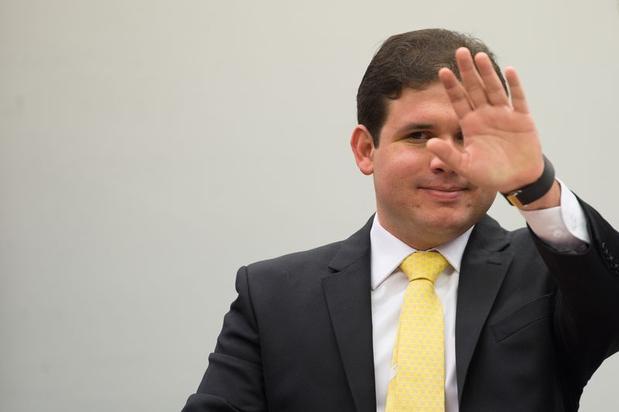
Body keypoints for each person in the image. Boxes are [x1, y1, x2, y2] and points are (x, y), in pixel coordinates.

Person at [181, 28, 619, 412]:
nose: (445, 159)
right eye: (419, 135)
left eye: (467, 137)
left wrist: (535, 185)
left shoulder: (549, 271)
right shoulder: (272, 297)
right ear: (365, 150)